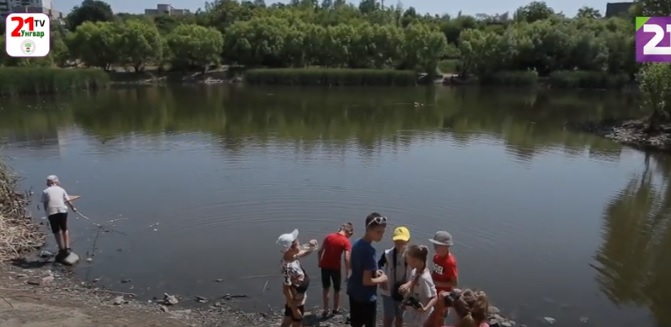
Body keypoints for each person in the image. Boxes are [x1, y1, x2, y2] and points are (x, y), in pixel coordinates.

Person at [346, 212, 389, 327]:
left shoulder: (356, 243)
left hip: (353, 291)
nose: (381, 235)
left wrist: (375, 271)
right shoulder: (370, 251)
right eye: (378, 232)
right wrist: (382, 278)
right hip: (365, 297)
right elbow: (366, 281)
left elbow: (352, 265)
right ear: (368, 229)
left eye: (383, 232)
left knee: (356, 323)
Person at [277, 229, 318, 327]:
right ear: (291, 248)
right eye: (298, 243)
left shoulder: (291, 257)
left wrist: (312, 246)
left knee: (288, 319)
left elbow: (303, 253)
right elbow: (286, 290)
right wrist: (295, 309)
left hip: (296, 300)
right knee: (297, 322)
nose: (300, 244)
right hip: (295, 302)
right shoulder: (287, 267)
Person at [318, 222, 354, 317]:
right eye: (351, 234)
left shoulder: (329, 236)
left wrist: (319, 262)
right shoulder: (345, 241)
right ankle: (335, 309)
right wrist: (348, 272)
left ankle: (325, 309)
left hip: (324, 266)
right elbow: (346, 258)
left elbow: (320, 251)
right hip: (335, 268)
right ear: (349, 232)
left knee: (326, 288)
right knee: (337, 289)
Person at [378, 226, 411, 327]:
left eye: (402, 241)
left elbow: (418, 273)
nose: (400, 244)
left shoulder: (411, 256)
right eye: (397, 241)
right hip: (388, 290)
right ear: (393, 240)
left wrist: (409, 285)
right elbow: (378, 265)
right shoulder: (387, 253)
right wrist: (381, 277)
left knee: (400, 317)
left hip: (403, 291)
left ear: (408, 241)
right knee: (389, 316)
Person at [41, 175, 77, 261]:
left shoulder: (45, 191)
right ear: (56, 182)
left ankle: (61, 249)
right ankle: (67, 248)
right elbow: (68, 200)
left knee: (56, 231)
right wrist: (73, 208)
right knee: (65, 229)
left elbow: (45, 203)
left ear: (48, 183)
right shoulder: (61, 189)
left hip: (52, 212)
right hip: (62, 211)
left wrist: (47, 212)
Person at [402, 245, 437, 327]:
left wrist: (425, 309)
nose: (406, 261)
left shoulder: (425, 278)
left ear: (415, 261)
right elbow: (412, 287)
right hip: (414, 313)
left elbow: (434, 297)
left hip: (423, 317)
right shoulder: (414, 271)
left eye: (407, 259)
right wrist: (405, 300)